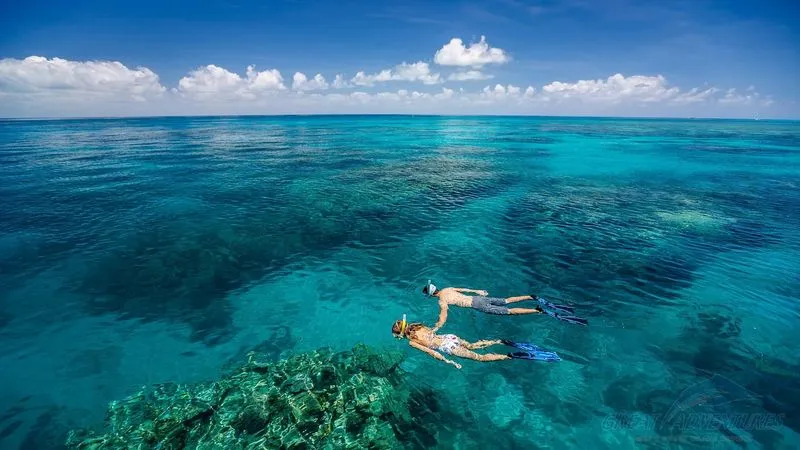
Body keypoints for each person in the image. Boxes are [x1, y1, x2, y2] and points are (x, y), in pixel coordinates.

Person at [391, 314, 561, 369]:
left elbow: (432, 352)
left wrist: (449, 361)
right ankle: (500, 341)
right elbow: (433, 333)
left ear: (400, 334)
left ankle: (511, 355)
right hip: (450, 337)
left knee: (480, 358)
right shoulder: (418, 326)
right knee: (472, 345)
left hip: (447, 347)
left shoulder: (412, 342)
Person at [422, 280, 587, 330]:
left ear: (431, 295)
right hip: (479, 298)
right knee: (507, 300)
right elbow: (464, 288)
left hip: (478, 306)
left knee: (510, 312)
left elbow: (443, 315)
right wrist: (478, 290)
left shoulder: (441, 300)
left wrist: (436, 327)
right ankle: (531, 296)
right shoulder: (448, 288)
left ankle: (537, 310)